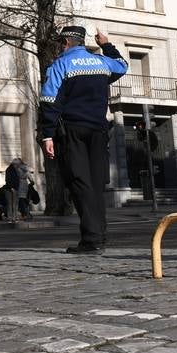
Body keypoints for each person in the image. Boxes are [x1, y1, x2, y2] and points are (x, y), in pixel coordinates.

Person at [39, 25, 128, 254]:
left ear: (66, 42)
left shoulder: (60, 65)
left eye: (60, 42)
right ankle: (100, 234)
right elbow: (122, 66)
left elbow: (49, 100)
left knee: (80, 183)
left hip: (72, 131)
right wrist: (106, 44)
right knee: (96, 184)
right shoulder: (101, 62)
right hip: (99, 130)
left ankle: (91, 239)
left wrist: (47, 134)